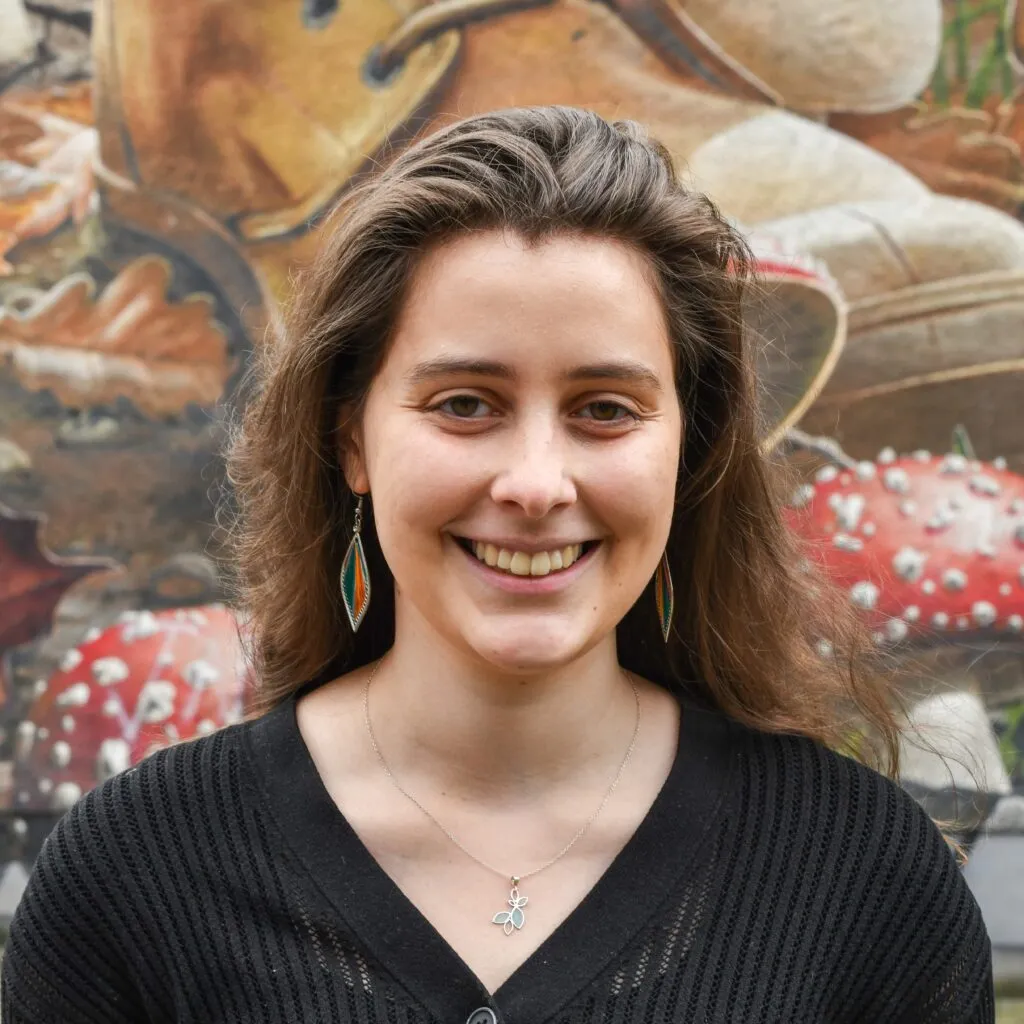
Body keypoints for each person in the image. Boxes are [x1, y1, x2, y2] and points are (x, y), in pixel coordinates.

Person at [1, 106, 994, 1023]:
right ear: (350, 437)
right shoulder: (138, 873)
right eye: (464, 404)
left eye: (604, 408)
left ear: (688, 451)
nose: (533, 482)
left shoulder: (863, 879)